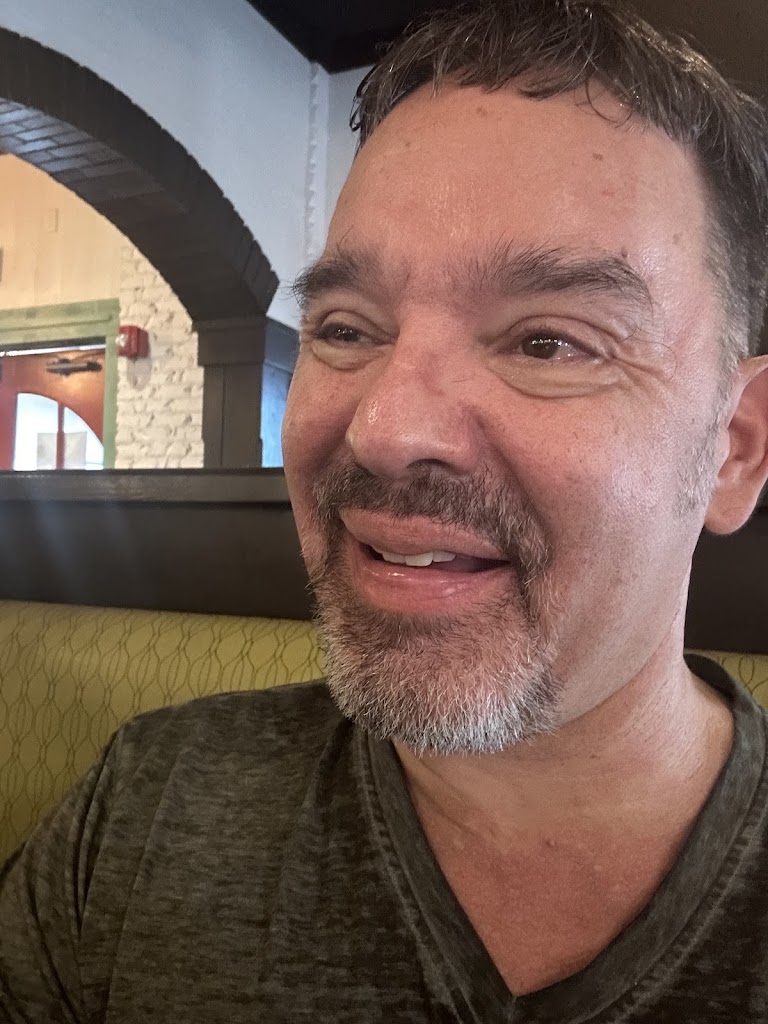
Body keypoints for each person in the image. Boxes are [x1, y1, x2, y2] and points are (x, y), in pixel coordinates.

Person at [3, 0, 768, 1019]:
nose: (386, 430)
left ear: (736, 447)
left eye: (548, 341)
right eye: (348, 328)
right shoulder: (150, 805)